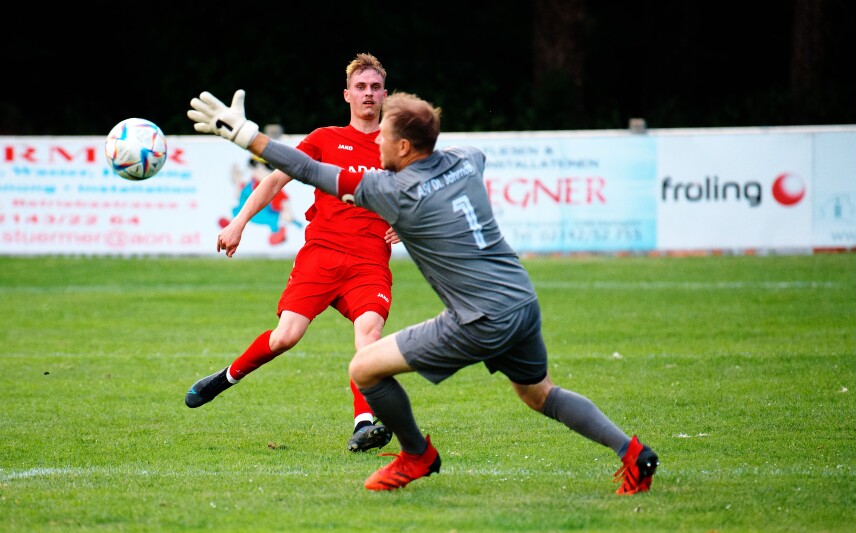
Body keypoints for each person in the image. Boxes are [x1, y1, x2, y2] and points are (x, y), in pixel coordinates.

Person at [187, 88, 660, 495]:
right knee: (539, 394)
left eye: (386, 140)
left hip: (478, 317)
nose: (378, 147)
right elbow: (472, 158)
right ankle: (633, 452)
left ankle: (416, 455)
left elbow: (310, 172)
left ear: (406, 146)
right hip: (521, 300)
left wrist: (246, 136)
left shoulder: (394, 192)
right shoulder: (465, 161)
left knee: (365, 368)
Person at [185, 53, 400, 454]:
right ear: (347, 95)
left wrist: (404, 224)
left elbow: (418, 197)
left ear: (385, 95)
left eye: (375, 88)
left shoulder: (397, 145)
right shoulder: (323, 139)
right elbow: (274, 181)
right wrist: (238, 223)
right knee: (286, 337)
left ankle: (363, 423)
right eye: (361, 87)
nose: (368, 94)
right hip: (321, 254)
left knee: (369, 336)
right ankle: (226, 377)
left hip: (369, 262)